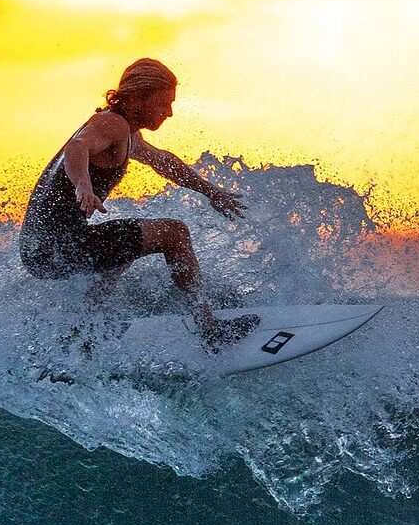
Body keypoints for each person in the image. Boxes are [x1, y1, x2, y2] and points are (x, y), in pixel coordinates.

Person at [18, 58, 260, 346]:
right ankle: (210, 329)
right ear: (136, 98)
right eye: (163, 103)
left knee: (125, 248)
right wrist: (83, 184)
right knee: (174, 233)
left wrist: (211, 192)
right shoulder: (112, 124)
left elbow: (163, 162)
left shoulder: (126, 132)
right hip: (58, 246)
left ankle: (80, 336)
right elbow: (77, 147)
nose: (169, 113)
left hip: (41, 250)